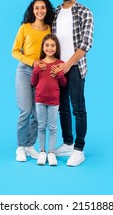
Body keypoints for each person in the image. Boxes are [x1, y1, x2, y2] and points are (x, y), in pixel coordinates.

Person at [52, 0, 94, 166]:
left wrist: (67, 64)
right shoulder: (55, 12)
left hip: (75, 67)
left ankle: (79, 149)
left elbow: (86, 44)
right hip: (57, 68)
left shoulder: (85, 12)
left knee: (78, 108)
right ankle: (68, 142)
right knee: (62, 108)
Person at [12, 0, 55, 162]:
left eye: (43, 7)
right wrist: (32, 62)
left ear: (47, 10)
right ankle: (20, 147)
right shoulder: (25, 28)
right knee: (25, 110)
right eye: (37, 8)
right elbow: (15, 51)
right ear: (32, 10)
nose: (40, 11)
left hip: (43, 75)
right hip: (25, 71)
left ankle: (30, 146)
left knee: (39, 114)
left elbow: (52, 50)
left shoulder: (49, 29)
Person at [31, 34, 67, 166]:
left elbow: (63, 84)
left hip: (53, 101)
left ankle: (51, 153)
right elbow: (33, 82)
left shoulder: (60, 64)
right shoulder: (39, 63)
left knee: (52, 127)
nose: (50, 48)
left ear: (56, 47)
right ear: (43, 47)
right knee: (41, 126)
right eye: (47, 45)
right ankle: (42, 152)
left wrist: (59, 73)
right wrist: (36, 70)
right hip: (40, 99)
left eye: (52, 45)